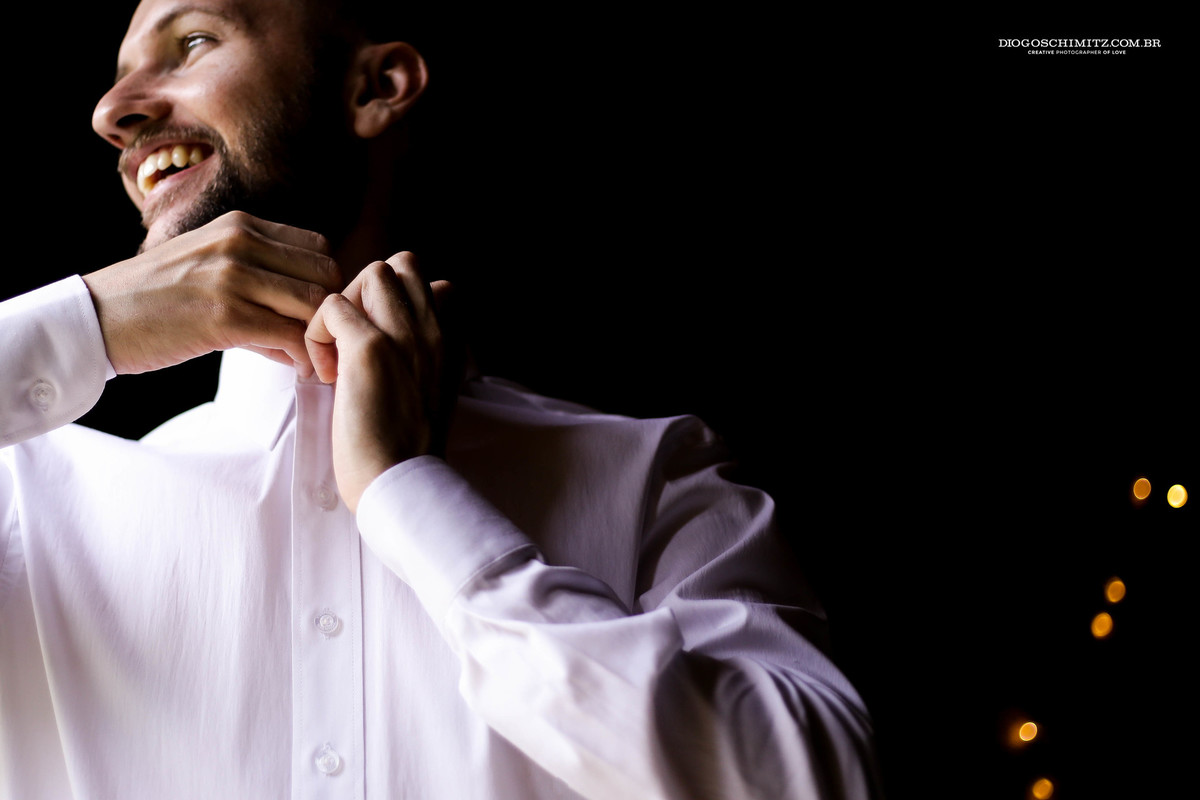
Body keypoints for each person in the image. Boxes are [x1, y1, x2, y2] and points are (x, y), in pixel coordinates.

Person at [0, 1, 881, 797]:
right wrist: (87, 323)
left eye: (191, 43)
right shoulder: (30, 508)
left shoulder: (653, 472)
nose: (112, 114)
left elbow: (814, 785)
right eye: (117, 81)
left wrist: (410, 497)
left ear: (379, 86)